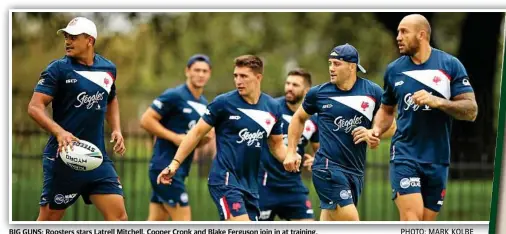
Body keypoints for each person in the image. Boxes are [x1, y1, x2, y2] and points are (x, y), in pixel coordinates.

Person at [158, 55, 295, 221]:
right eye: (236, 76)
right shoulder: (223, 103)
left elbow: (277, 145)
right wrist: (174, 164)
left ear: (258, 77)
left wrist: (291, 155)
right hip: (225, 180)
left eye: (244, 76)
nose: (238, 81)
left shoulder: (272, 107)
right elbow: (195, 133)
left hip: (251, 186)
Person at [370, 14, 478, 221]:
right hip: (404, 154)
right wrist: (376, 130)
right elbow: (386, 110)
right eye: (398, 31)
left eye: (404, 32)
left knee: (426, 223)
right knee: (412, 219)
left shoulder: (450, 65)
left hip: (437, 158)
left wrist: (438, 101)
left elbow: (471, 110)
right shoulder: (394, 70)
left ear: (421, 35)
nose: (398, 37)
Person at [27, 17, 127, 221]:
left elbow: (111, 99)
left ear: (89, 40)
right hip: (63, 159)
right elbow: (34, 107)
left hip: (97, 158)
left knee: (119, 219)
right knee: (48, 222)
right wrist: (60, 132)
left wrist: (116, 128)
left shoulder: (108, 68)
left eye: (73, 37)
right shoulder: (58, 69)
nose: (67, 41)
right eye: (66, 36)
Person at [283, 43, 396, 221]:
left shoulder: (373, 92)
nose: (331, 68)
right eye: (330, 63)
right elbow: (298, 118)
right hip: (327, 168)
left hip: (355, 171)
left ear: (352, 67)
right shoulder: (318, 94)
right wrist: (290, 151)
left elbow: (391, 126)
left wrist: (373, 133)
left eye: (337, 64)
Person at [140, 54, 215, 221]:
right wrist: (174, 137)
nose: (200, 74)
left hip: (180, 170)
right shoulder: (174, 95)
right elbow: (146, 120)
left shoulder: (204, 103)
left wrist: (205, 139)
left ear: (209, 74)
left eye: (204, 71)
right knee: (184, 223)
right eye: (196, 70)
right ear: (187, 71)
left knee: (155, 222)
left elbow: (191, 142)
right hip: (164, 168)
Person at [258, 68, 319, 221]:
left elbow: (320, 151)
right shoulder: (272, 108)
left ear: (307, 91)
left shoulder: (313, 118)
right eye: (288, 83)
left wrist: (316, 161)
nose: (289, 88)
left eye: (295, 85)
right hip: (265, 185)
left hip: (293, 186)